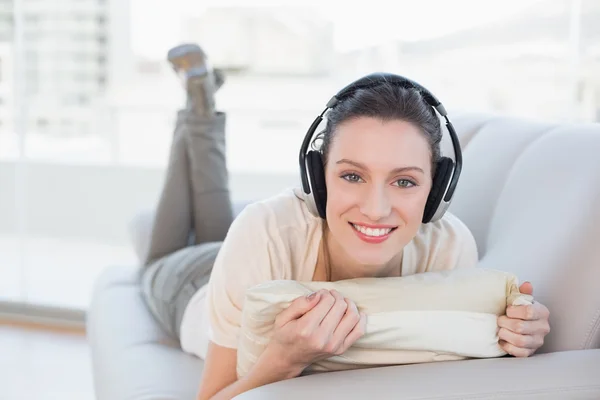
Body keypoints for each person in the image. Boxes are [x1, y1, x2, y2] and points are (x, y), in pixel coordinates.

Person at [140, 43, 551, 400]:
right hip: (189, 284)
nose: (375, 209)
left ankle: (201, 101)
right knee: (161, 253)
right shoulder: (264, 229)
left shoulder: (448, 247)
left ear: (436, 190)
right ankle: (196, 111)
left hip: (240, 262)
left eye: (404, 181)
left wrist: (512, 335)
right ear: (318, 179)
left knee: (214, 215)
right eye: (352, 176)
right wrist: (282, 361)